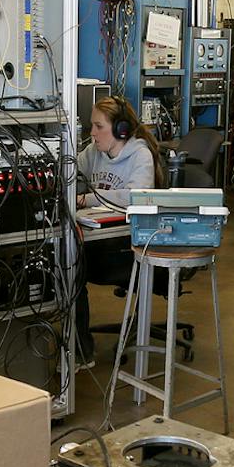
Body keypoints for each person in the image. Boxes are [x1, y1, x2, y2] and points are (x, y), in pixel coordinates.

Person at [73, 93, 163, 362]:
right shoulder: (93, 152)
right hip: (97, 239)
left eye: (99, 126)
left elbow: (136, 195)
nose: (93, 133)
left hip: (129, 246)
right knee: (64, 263)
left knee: (72, 267)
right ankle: (77, 347)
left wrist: (86, 198)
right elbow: (71, 178)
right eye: (92, 125)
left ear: (121, 130)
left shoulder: (140, 155)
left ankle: (80, 353)